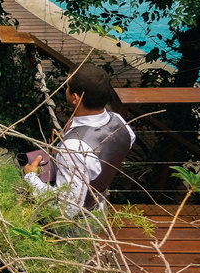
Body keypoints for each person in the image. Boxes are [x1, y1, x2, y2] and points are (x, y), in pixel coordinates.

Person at [23, 64, 136, 222]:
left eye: (67, 86)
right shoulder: (121, 125)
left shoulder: (74, 148)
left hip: (76, 225)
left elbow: (67, 208)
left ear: (76, 98)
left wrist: (31, 178)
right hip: (98, 206)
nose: (65, 89)